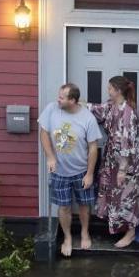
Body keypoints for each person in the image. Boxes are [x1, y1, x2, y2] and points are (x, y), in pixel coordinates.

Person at [39, 83, 101, 257]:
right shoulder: (51, 109)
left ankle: (84, 233)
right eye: (59, 96)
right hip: (59, 172)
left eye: (62, 97)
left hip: (81, 171)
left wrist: (89, 174)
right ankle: (67, 237)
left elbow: (93, 148)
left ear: (72, 100)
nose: (57, 99)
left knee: (83, 205)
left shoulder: (87, 118)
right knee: (64, 207)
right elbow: (43, 133)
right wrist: (50, 157)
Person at [87, 75, 139, 248]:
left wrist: (122, 169)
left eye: (110, 88)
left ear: (118, 91)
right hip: (112, 158)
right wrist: (78, 104)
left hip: (127, 162)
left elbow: (128, 143)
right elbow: (96, 109)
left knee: (127, 195)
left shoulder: (128, 113)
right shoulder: (111, 106)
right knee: (112, 192)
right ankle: (118, 227)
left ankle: (131, 233)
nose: (108, 91)